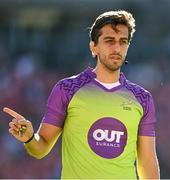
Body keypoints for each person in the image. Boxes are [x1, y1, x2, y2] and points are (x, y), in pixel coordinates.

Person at [3, 10, 160, 179]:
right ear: (94, 46)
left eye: (123, 41)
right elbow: (41, 147)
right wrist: (29, 138)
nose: (117, 47)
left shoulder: (142, 98)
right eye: (109, 41)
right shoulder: (67, 89)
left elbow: (147, 161)